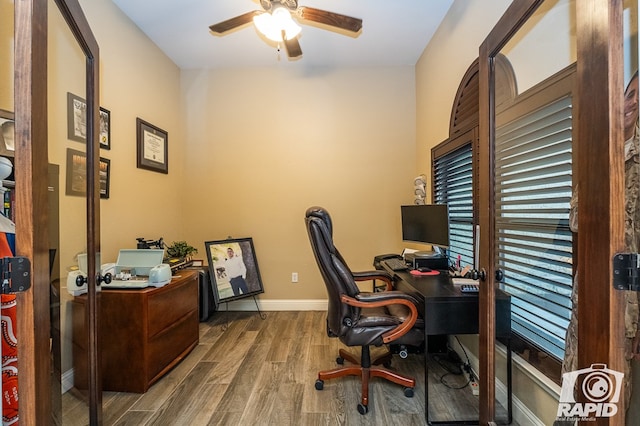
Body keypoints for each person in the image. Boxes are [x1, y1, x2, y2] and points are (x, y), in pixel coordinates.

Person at [562, 71, 640, 408]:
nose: (632, 102)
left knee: (610, 399)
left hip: (627, 300)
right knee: (575, 388)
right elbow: (577, 221)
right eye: (630, 92)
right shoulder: (602, 156)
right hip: (589, 290)